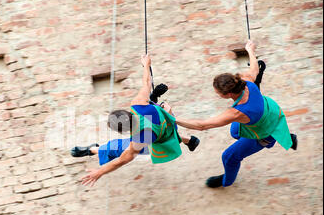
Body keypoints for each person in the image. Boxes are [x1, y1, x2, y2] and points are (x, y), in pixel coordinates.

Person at [174, 40, 297, 188]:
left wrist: (173, 119)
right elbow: (255, 69)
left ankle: (226, 181)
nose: (217, 94)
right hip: (271, 111)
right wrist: (250, 50)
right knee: (234, 131)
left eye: (218, 92)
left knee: (229, 156)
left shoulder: (237, 113)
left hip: (265, 131)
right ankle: (283, 135)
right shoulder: (246, 80)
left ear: (228, 94)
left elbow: (202, 126)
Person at [72, 54, 200, 187]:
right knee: (141, 137)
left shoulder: (140, 139)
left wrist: (99, 172)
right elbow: (146, 83)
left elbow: (121, 160)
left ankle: (93, 150)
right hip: (169, 125)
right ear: (127, 113)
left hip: (161, 139)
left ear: (124, 131)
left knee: (116, 147)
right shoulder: (138, 104)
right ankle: (190, 140)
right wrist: (146, 65)